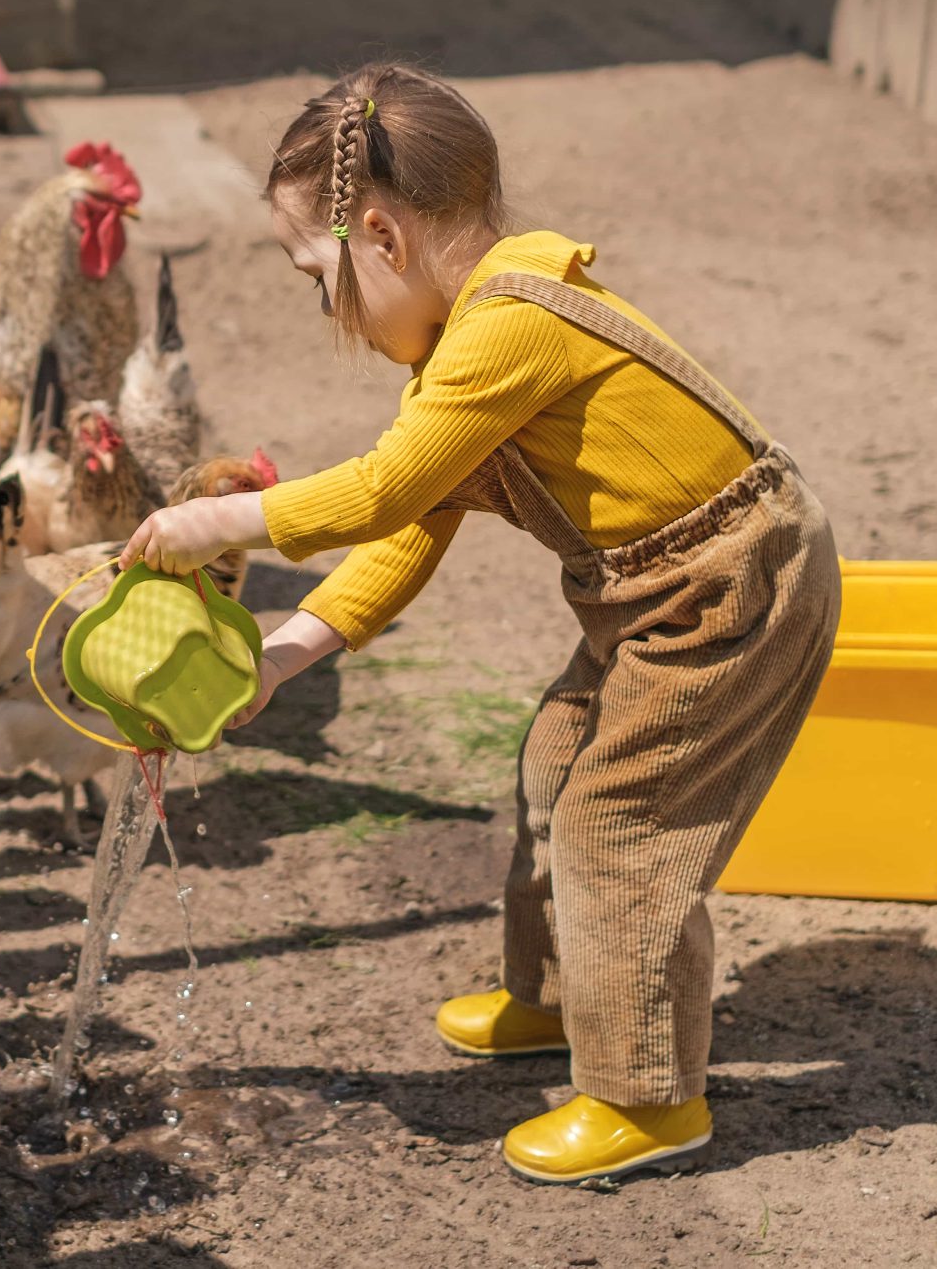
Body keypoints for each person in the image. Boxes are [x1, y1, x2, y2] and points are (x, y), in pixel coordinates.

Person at [119, 61, 841, 1184]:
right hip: (655, 594)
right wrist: (288, 648)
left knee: (619, 819)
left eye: (320, 273)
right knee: (556, 766)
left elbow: (377, 495)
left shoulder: (510, 328)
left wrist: (220, 520)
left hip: (731, 584)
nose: (329, 308)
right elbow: (412, 528)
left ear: (382, 236)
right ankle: (563, 1001)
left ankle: (649, 1100)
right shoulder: (468, 346)